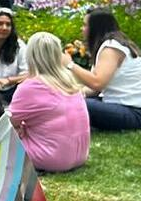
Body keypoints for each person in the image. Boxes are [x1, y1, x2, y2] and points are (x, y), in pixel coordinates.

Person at [7, 32, 89, 172]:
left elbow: (8, 125)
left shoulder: (31, 86)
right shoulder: (69, 80)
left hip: (52, 158)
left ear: (30, 56)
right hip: (80, 154)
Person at [69, 8, 141, 131]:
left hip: (139, 113)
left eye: (85, 25)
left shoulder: (111, 48)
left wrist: (70, 65)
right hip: (129, 107)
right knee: (72, 99)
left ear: (96, 28)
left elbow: (97, 83)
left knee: (77, 103)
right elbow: (96, 88)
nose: (82, 28)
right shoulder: (110, 45)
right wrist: (75, 92)